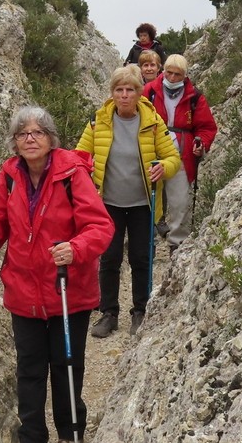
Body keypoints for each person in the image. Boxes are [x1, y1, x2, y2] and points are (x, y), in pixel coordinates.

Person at [0, 105, 114, 443]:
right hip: (24, 290)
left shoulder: (73, 174)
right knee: (29, 368)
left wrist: (75, 248)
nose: (29, 138)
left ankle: (70, 432)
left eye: (37, 132)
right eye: (22, 133)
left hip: (66, 288)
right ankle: (31, 442)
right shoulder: (9, 177)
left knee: (66, 363)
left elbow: (100, 227)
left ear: (51, 138)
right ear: (14, 142)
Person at [76, 65, 181, 337]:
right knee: (109, 258)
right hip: (106, 203)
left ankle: (141, 311)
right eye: (119, 90)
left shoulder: (153, 122)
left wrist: (163, 168)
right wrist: (87, 168)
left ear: (139, 92)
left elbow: (172, 159)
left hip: (143, 204)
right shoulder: (97, 122)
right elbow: (78, 156)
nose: (124, 95)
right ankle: (108, 313)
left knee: (141, 258)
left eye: (130, 90)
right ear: (112, 93)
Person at [143, 54, 218, 251]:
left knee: (180, 202)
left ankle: (177, 245)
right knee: (148, 199)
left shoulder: (194, 96)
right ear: (163, 71)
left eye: (178, 74)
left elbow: (207, 127)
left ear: (185, 75)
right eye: (169, 73)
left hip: (182, 156)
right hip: (151, 152)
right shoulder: (149, 91)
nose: (173, 78)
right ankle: (146, 240)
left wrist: (201, 143)